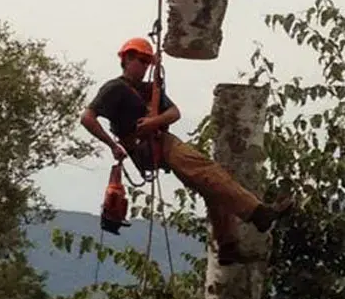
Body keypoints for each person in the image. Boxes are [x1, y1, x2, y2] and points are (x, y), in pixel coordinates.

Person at [80, 37, 294, 265]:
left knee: (210, 185)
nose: (144, 67)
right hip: (148, 146)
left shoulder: (148, 89)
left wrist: (155, 121)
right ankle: (259, 213)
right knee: (207, 170)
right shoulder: (115, 88)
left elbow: (174, 112)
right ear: (127, 59)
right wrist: (114, 145)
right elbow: (87, 118)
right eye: (141, 61)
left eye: (147, 62)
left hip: (159, 138)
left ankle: (228, 246)